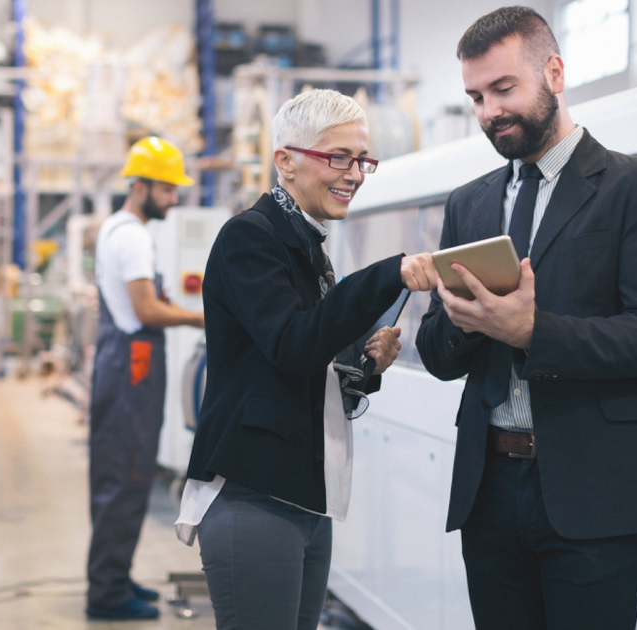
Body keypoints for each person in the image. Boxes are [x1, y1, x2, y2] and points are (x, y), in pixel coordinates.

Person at [416, 7, 637, 630]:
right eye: (475, 97)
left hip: (594, 490)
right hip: (488, 489)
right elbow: (436, 353)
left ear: (555, 73)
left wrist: (532, 333)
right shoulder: (471, 203)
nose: (489, 112)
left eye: (503, 89)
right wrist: (464, 320)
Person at [175, 89, 439, 630]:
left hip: (306, 500)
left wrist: (365, 367)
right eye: (338, 157)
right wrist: (389, 274)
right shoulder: (250, 237)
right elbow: (291, 346)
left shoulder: (310, 247)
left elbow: (310, 365)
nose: (356, 173)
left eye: (362, 159)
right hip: (255, 497)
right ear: (286, 161)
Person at [86, 136, 205, 621]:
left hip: (123, 360)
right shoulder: (132, 236)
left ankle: (115, 574)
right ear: (140, 185)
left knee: (121, 472)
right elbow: (146, 309)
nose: (174, 199)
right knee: (129, 474)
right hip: (132, 361)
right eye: (167, 189)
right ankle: (108, 592)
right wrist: (203, 319)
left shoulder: (116, 227)